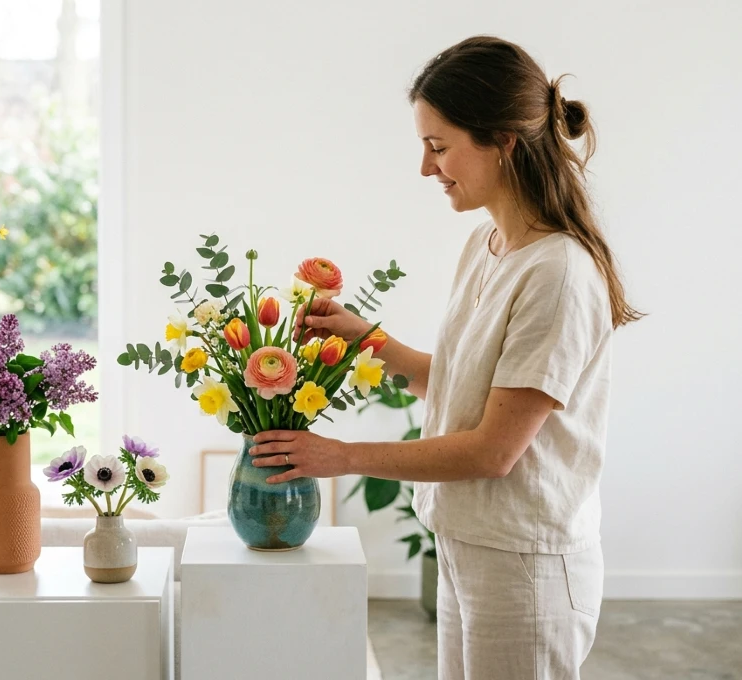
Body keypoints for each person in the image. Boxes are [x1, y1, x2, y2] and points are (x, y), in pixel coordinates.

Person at [248, 36, 642, 679]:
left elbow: (493, 449)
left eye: (439, 146)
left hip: (526, 566)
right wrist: (365, 339)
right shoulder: (487, 246)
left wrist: (339, 457)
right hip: (470, 543)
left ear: (504, 141)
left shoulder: (558, 273)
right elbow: (467, 387)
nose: (427, 169)